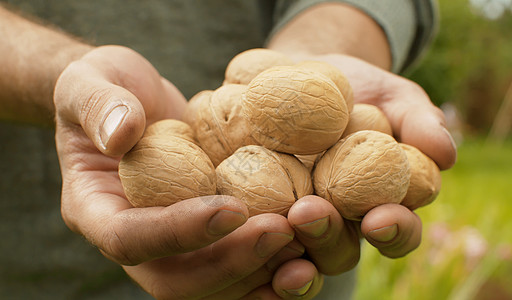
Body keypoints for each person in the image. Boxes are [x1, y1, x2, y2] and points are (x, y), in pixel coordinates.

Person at [0, 0, 457, 299]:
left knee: (302, 225)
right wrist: (63, 76)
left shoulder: (315, 125)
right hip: (37, 276)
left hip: (298, 269)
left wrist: (318, 53)